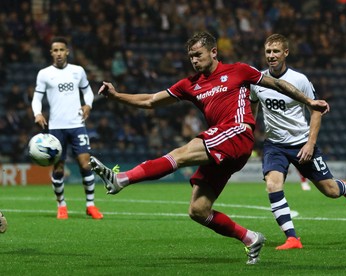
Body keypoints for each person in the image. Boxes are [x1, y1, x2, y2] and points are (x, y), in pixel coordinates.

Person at [89, 31, 329, 265]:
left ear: (213, 52)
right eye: (191, 57)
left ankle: (122, 179)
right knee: (198, 210)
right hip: (221, 148)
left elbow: (277, 84)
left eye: (198, 54)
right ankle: (250, 238)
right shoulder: (189, 84)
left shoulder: (239, 71)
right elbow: (151, 100)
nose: (194, 60)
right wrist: (117, 95)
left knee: (180, 153)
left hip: (237, 132)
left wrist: (308, 101)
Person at [249, 34, 346, 250]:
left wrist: (310, 144)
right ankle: (292, 238)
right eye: (268, 52)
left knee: (329, 191)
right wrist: (249, 131)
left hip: (301, 143)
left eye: (276, 52)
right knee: (273, 184)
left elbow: (316, 111)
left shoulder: (299, 80)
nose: (271, 56)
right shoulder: (258, 81)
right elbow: (253, 107)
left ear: (286, 53)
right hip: (274, 145)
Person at [31, 36, 103, 220]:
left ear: (67, 51)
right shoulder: (44, 74)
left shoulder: (78, 71)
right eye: (55, 50)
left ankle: (90, 205)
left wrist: (88, 105)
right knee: (59, 168)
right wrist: (37, 113)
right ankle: (61, 205)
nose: (58, 54)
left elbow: (87, 92)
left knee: (85, 164)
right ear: (51, 53)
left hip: (77, 124)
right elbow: (37, 98)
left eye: (61, 50)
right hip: (56, 128)